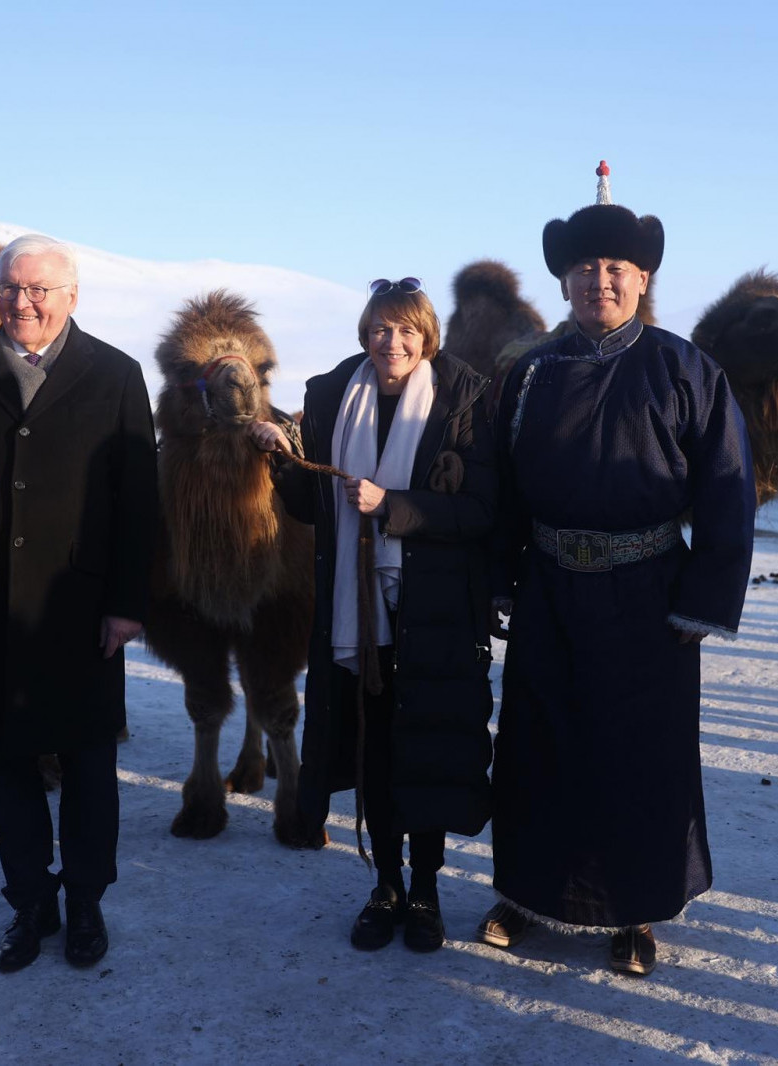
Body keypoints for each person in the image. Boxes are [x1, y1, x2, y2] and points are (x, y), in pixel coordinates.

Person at [481, 164, 756, 975]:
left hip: (648, 599)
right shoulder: (528, 374)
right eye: (584, 269)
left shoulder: (686, 370)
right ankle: (526, 893)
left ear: (641, 279)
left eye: (616, 269)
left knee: (639, 760)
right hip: (551, 590)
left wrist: (702, 599)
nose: (599, 280)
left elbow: (727, 492)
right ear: (563, 281)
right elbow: (500, 488)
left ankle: (637, 908)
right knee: (538, 752)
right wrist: (501, 580)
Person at [0, 234, 157, 972]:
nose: (24, 302)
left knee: (85, 763)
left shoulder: (115, 375)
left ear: (71, 296)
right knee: (4, 763)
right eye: (12, 288)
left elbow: (139, 502)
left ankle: (84, 904)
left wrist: (127, 603)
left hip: (79, 608)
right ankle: (29, 903)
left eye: (40, 289)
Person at [251, 277, 497, 952]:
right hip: (352, 614)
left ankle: (424, 891)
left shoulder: (466, 399)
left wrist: (394, 506)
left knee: (423, 750)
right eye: (381, 330)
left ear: (427, 338)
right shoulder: (331, 396)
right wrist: (283, 461)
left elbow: (481, 512)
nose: (393, 344)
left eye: (407, 332)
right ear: (364, 334)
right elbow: (311, 505)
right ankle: (383, 886)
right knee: (372, 747)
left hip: (433, 612)